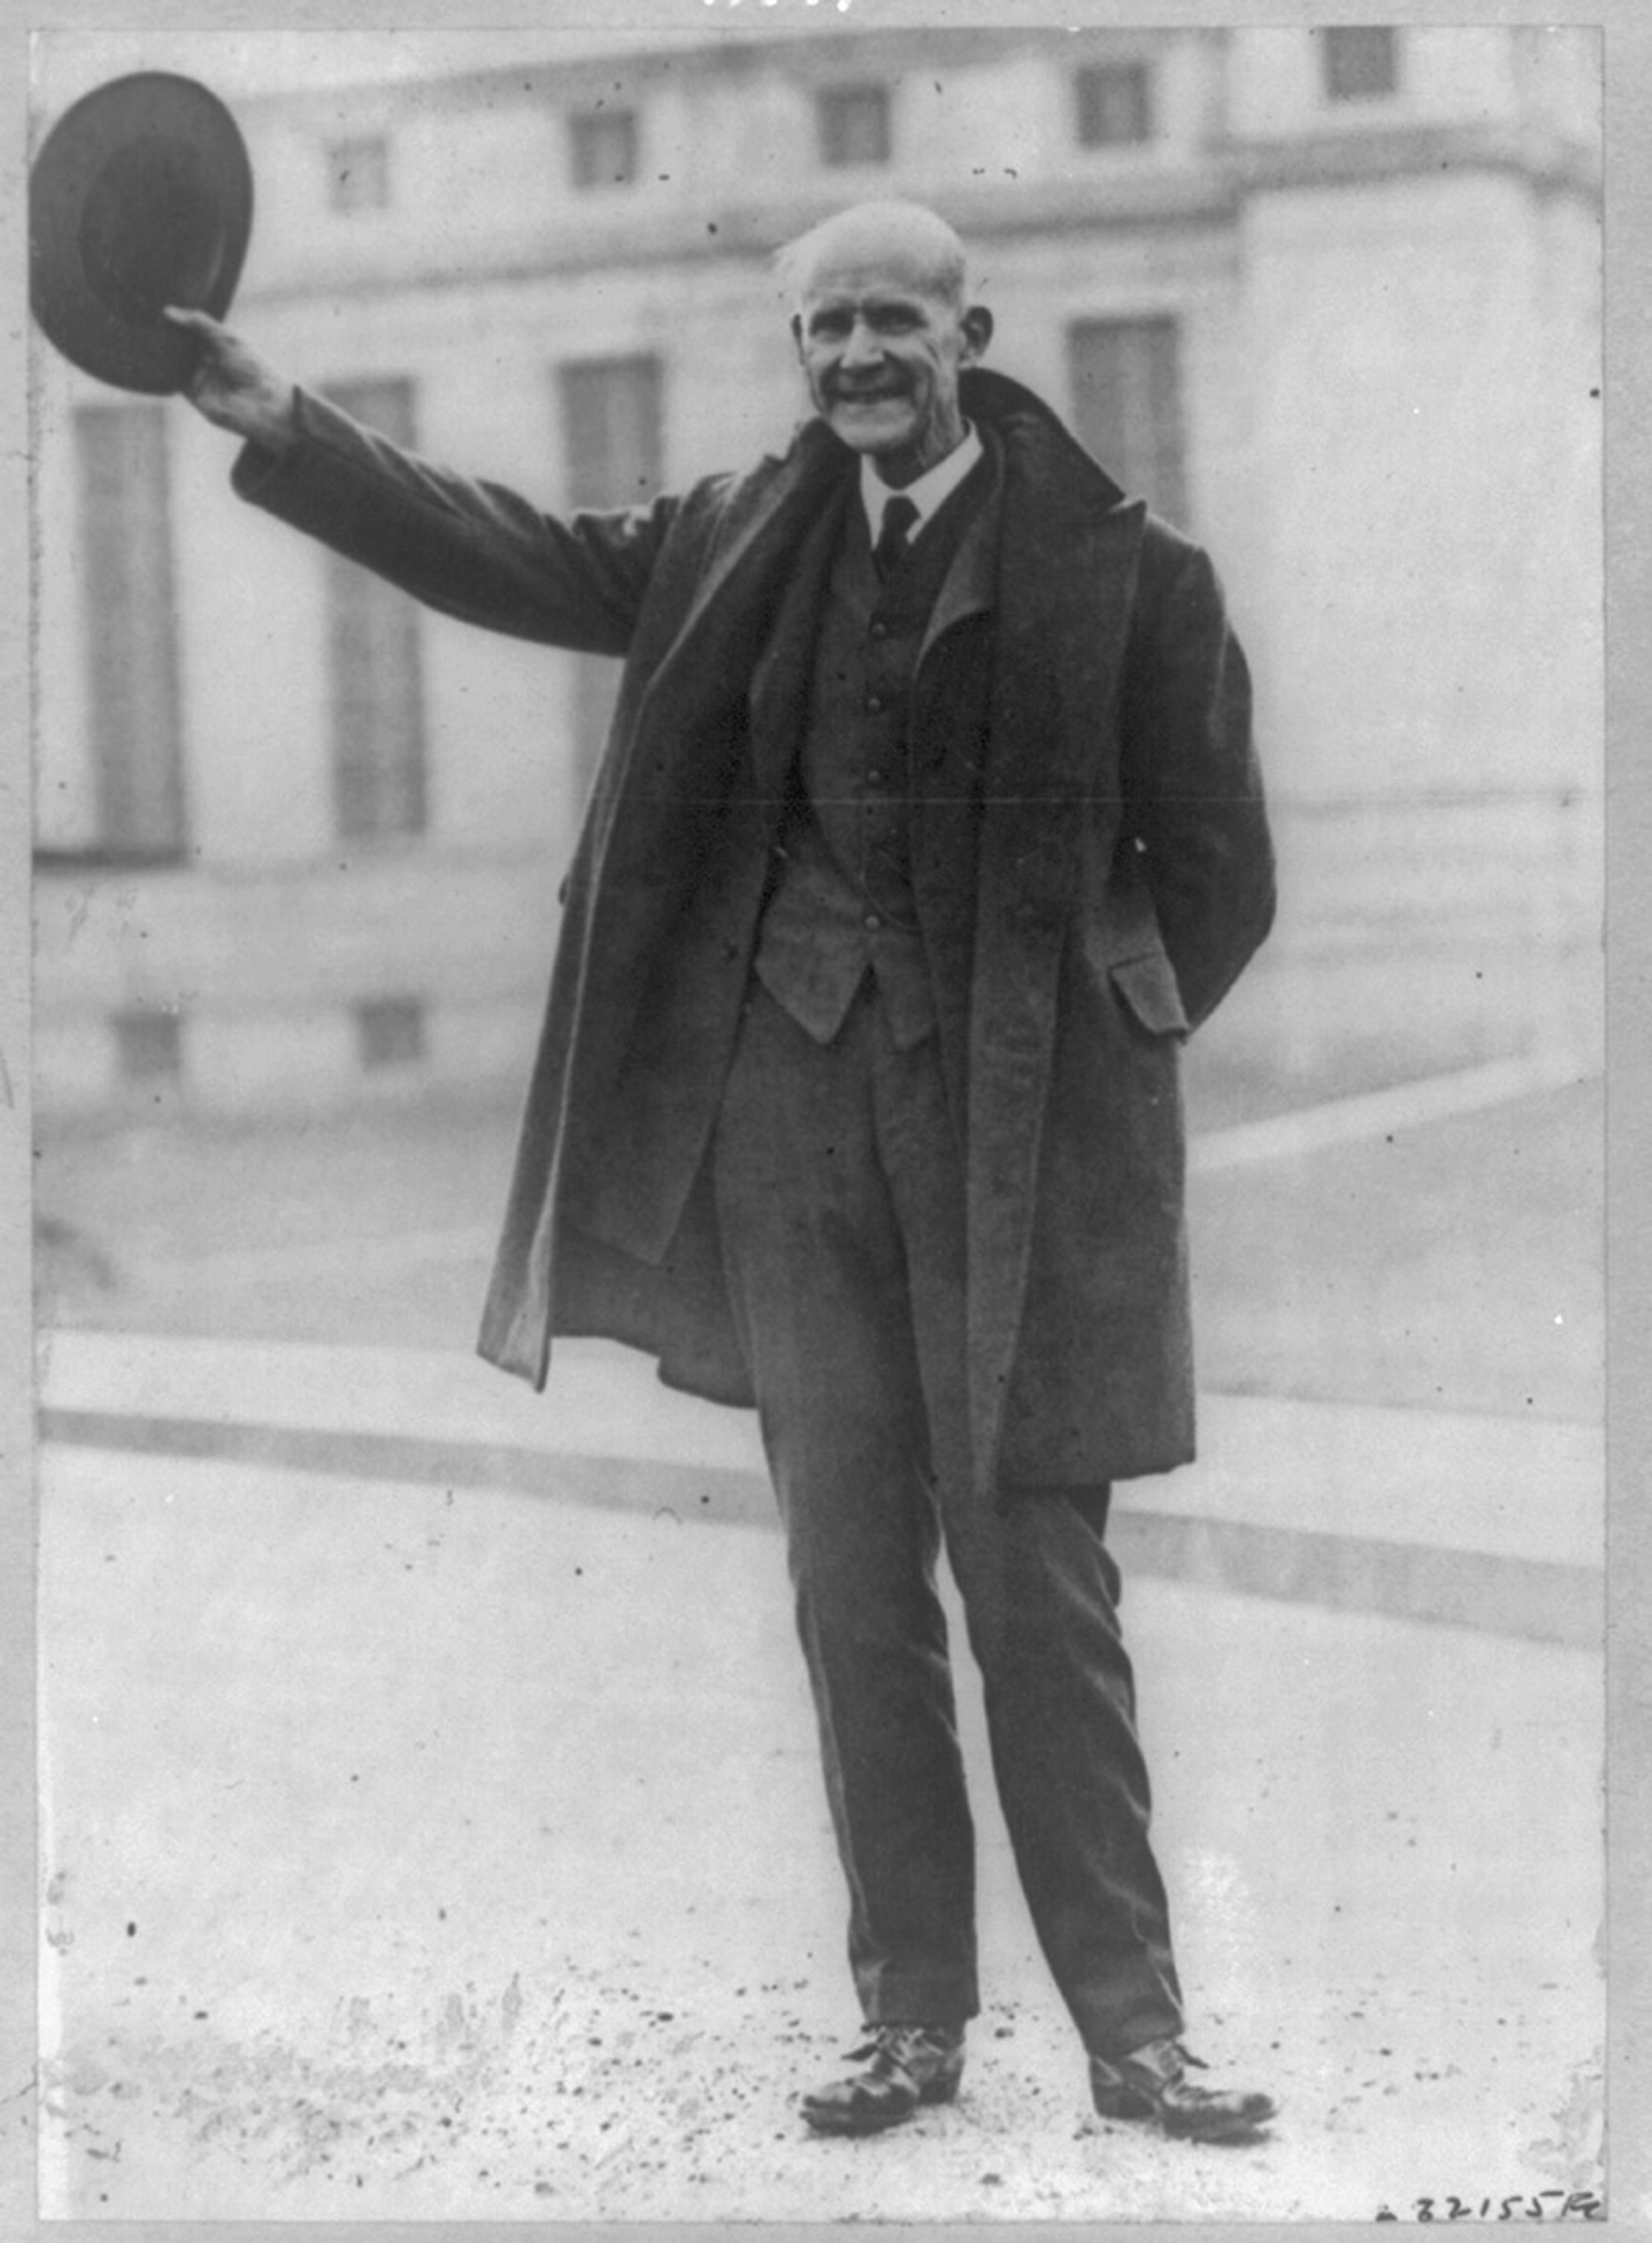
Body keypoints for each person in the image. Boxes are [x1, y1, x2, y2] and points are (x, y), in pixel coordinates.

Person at [168, 197, 1278, 2144]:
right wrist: (286, 418)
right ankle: (911, 2019)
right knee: (852, 1585)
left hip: (1017, 1148)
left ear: (971, 331)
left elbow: (1219, 879)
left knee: (1040, 1588)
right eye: (823, 325)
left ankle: (1137, 2034)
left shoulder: (1135, 571)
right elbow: (507, 553)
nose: (855, 356)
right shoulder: (730, 542)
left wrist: (1087, 1047)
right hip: (789, 1135)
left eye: (891, 324)